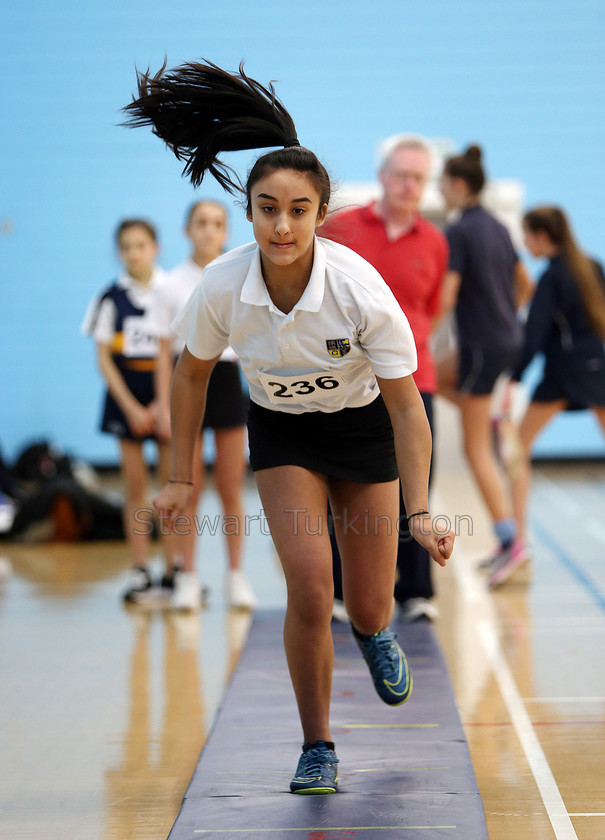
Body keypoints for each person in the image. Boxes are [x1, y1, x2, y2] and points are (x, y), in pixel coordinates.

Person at [123, 58, 454, 795]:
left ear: (319, 214)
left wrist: (421, 510)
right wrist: (182, 477)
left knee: (367, 603)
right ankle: (317, 747)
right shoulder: (222, 286)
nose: (281, 224)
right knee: (310, 590)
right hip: (284, 435)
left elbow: (405, 404)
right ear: (249, 212)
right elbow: (190, 373)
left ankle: (373, 634)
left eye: (297, 209)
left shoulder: (356, 288)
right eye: (267, 207)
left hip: (363, 431)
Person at [320, 134, 449, 622]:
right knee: (345, 488)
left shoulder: (435, 242)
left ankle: (416, 591)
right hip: (350, 378)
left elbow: (431, 309)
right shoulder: (341, 228)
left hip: (415, 380)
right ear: (383, 176)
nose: (409, 184)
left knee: (417, 487)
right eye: (402, 174)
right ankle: (338, 590)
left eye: (418, 177)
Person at [152, 200, 256, 610]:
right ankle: (188, 577)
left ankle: (235, 576)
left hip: (228, 379)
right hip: (187, 379)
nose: (209, 231)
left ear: (226, 229)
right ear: (186, 230)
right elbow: (163, 353)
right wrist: (163, 405)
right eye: (201, 223)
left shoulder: (240, 276)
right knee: (188, 487)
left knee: (231, 486)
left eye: (217, 224)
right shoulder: (171, 284)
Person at [438, 145, 533, 581]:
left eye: (442, 183)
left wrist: (416, 333)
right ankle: (492, 416)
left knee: (474, 448)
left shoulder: (459, 230)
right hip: (507, 340)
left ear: (458, 185)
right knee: (428, 377)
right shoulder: (498, 226)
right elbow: (525, 285)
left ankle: (511, 541)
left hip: (480, 345)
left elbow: (448, 294)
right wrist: (505, 315)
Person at [502, 206, 605, 586]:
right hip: (600, 369)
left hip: (564, 376)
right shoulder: (592, 266)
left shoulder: (551, 278)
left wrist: (513, 379)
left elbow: (534, 335)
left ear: (543, 237)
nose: (526, 245)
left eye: (528, 236)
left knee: (516, 451)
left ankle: (518, 543)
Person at [82, 219, 174, 604]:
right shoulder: (109, 299)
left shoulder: (171, 292)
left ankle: (174, 570)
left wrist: (163, 403)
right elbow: (103, 359)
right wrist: (133, 408)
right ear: (119, 253)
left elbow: (178, 349)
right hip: (126, 400)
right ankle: (140, 570)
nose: (134, 252)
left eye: (141, 244)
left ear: (156, 248)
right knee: (135, 487)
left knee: (171, 488)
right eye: (127, 246)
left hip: (165, 397)